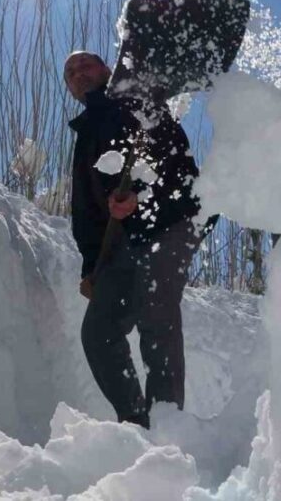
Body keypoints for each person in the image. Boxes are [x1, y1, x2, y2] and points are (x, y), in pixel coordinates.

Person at [64, 50, 207, 429]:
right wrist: (91, 269)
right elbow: (86, 213)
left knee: (155, 314)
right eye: (71, 72)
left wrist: (141, 196)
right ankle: (137, 426)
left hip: (170, 222)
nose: (78, 73)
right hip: (122, 242)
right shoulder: (86, 132)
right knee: (98, 332)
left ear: (106, 69)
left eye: (85, 65)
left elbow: (176, 159)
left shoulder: (139, 100)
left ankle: (167, 427)